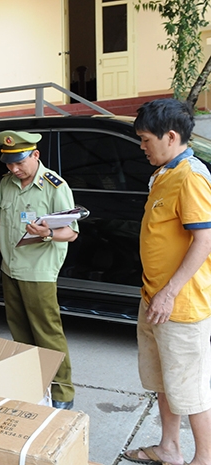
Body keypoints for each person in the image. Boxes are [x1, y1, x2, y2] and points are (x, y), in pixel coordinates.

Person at [122, 99, 211, 465]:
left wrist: (169, 293)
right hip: (156, 299)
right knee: (163, 381)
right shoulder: (164, 172)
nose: (141, 146)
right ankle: (169, 448)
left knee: (190, 388)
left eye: (145, 139)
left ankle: (203, 458)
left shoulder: (190, 176)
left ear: (170, 136)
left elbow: (204, 240)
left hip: (179, 305)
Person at [0, 130, 79, 410]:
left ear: (35, 155)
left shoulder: (55, 186)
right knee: (20, 331)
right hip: (10, 269)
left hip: (38, 272)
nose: (14, 169)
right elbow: (0, 222)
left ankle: (62, 393)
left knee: (47, 332)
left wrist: (48, 233)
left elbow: (71, 232)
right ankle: (32, 384)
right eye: (9, 164)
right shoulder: (7, 183)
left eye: (19, 163)